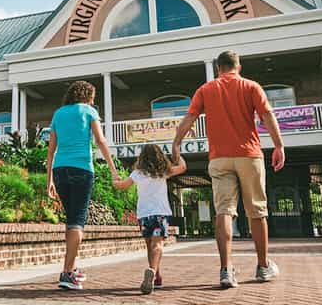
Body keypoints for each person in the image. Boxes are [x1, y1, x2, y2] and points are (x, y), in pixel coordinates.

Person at [172, 50, 286, 289]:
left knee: (224, 210)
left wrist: (176, 143)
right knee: (257, 210)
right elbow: (267, 115)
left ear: (218, 68)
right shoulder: (251, 86)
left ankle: (226, 270)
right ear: (238, 66)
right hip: (249, 155)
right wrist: (278, 145)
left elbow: (189, 118)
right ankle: (263, 267)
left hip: (219, 158)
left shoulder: (206, 89)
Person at [46, 80, 120, 290]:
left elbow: (51, 149)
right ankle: (67, 273)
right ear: (88, 96)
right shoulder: (89, 111)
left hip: (60, 170)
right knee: (77, 221)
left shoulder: (58, 113)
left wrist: (49, 179)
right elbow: (101, 141)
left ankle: (71, 267)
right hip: (82, 169)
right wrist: (114, 170)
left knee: (71, 221)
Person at [112, 144, 187, 294]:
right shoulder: (163, 171)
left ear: (142, 157)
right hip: (160, 214)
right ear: (160, 156)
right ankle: (152, 270)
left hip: (144, 216)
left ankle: (156, 276)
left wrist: (115, 180)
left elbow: (121, 186)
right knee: (157, 245)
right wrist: (177, 155)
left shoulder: (137, 173)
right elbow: (183, 167)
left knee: (149, 246)